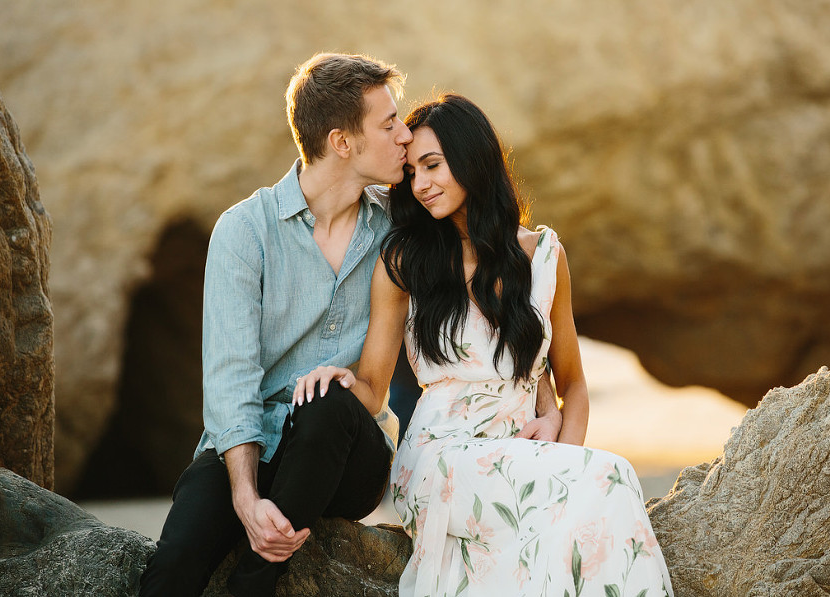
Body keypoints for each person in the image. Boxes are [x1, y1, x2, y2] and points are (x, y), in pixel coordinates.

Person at [138, 53, 560, 597]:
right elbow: (229, 379)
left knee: (326, 404)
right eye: (388, 125)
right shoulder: (245, 232)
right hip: (250, 451)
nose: (405, 136)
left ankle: (255, 583)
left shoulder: (403, 227)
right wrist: (244, 497)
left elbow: (497, 298)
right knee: (172, 566)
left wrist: (546, 402)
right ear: (342, 142)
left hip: (349, 454)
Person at [293, 94, 672, 596]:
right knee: (610, 476)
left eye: (433, 165)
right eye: (412, 173)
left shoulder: (544, 257)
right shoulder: (404, 260)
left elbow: (574, 383)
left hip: (522, 453)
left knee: (599, 483)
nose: (421, 184)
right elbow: (373, 387)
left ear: (473, 159)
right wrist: (341, 383)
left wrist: (562, 454)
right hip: (440, 457)